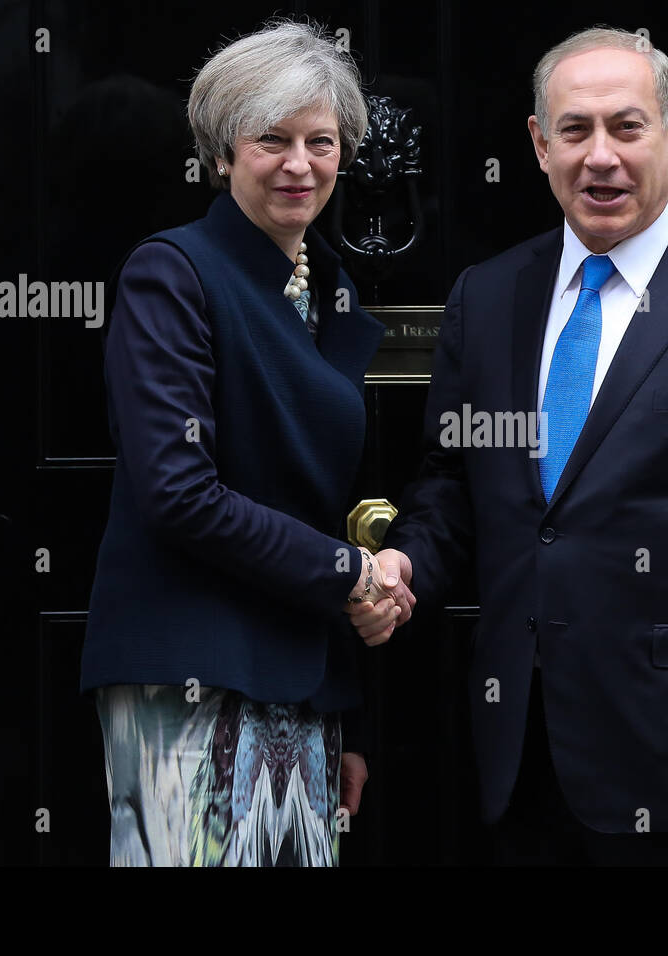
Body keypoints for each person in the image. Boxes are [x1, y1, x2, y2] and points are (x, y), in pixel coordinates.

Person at [350, 26, 668, 866]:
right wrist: (410, 562)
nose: (601, 157)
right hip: (523, 752)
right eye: (575, 129)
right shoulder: (486, 299)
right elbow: (452, 482)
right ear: (538, 143)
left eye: (627, 127)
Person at [81, 19, 413, 867]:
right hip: (190, 674)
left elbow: (316, 508)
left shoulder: (327, 291)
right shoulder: (173, 274)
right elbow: (178, 493)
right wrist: (350, 575)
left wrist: (347, 715)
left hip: (299, 687)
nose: (300, 164)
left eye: (321, 141)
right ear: (223, 154)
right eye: (272, 139)